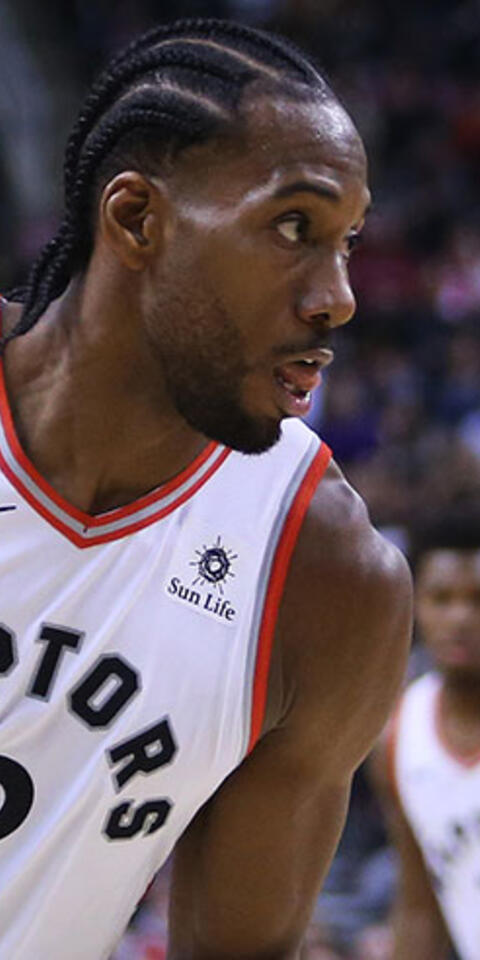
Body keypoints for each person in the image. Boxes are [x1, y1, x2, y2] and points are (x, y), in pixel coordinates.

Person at [0, 18, 412, 960]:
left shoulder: (326, 579)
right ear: (138, 219)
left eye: (350, 240)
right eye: (294, 226)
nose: (339, 295)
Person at [372, 508, 480, 960]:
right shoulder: (399, 736)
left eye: (478, 599)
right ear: (416, 605)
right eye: (442, 598)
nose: (461, 618)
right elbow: (418, 908)